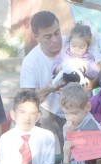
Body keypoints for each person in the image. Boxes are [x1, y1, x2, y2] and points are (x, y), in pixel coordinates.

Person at [19, 11, 65, 143]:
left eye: (57, 33)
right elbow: (27, 98)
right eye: (48, 37)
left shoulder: (73, 43)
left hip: (77, 105)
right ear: (36, 37)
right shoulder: (30, 61)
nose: (55, 40)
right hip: (49, 111)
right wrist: (50, 88)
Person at [0, 91, 56, 164]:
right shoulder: (5, 139)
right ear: (13, 114)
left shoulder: (47, 137)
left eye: (32, 113)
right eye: (22, 112)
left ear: (38, 116)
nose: (27, 117)